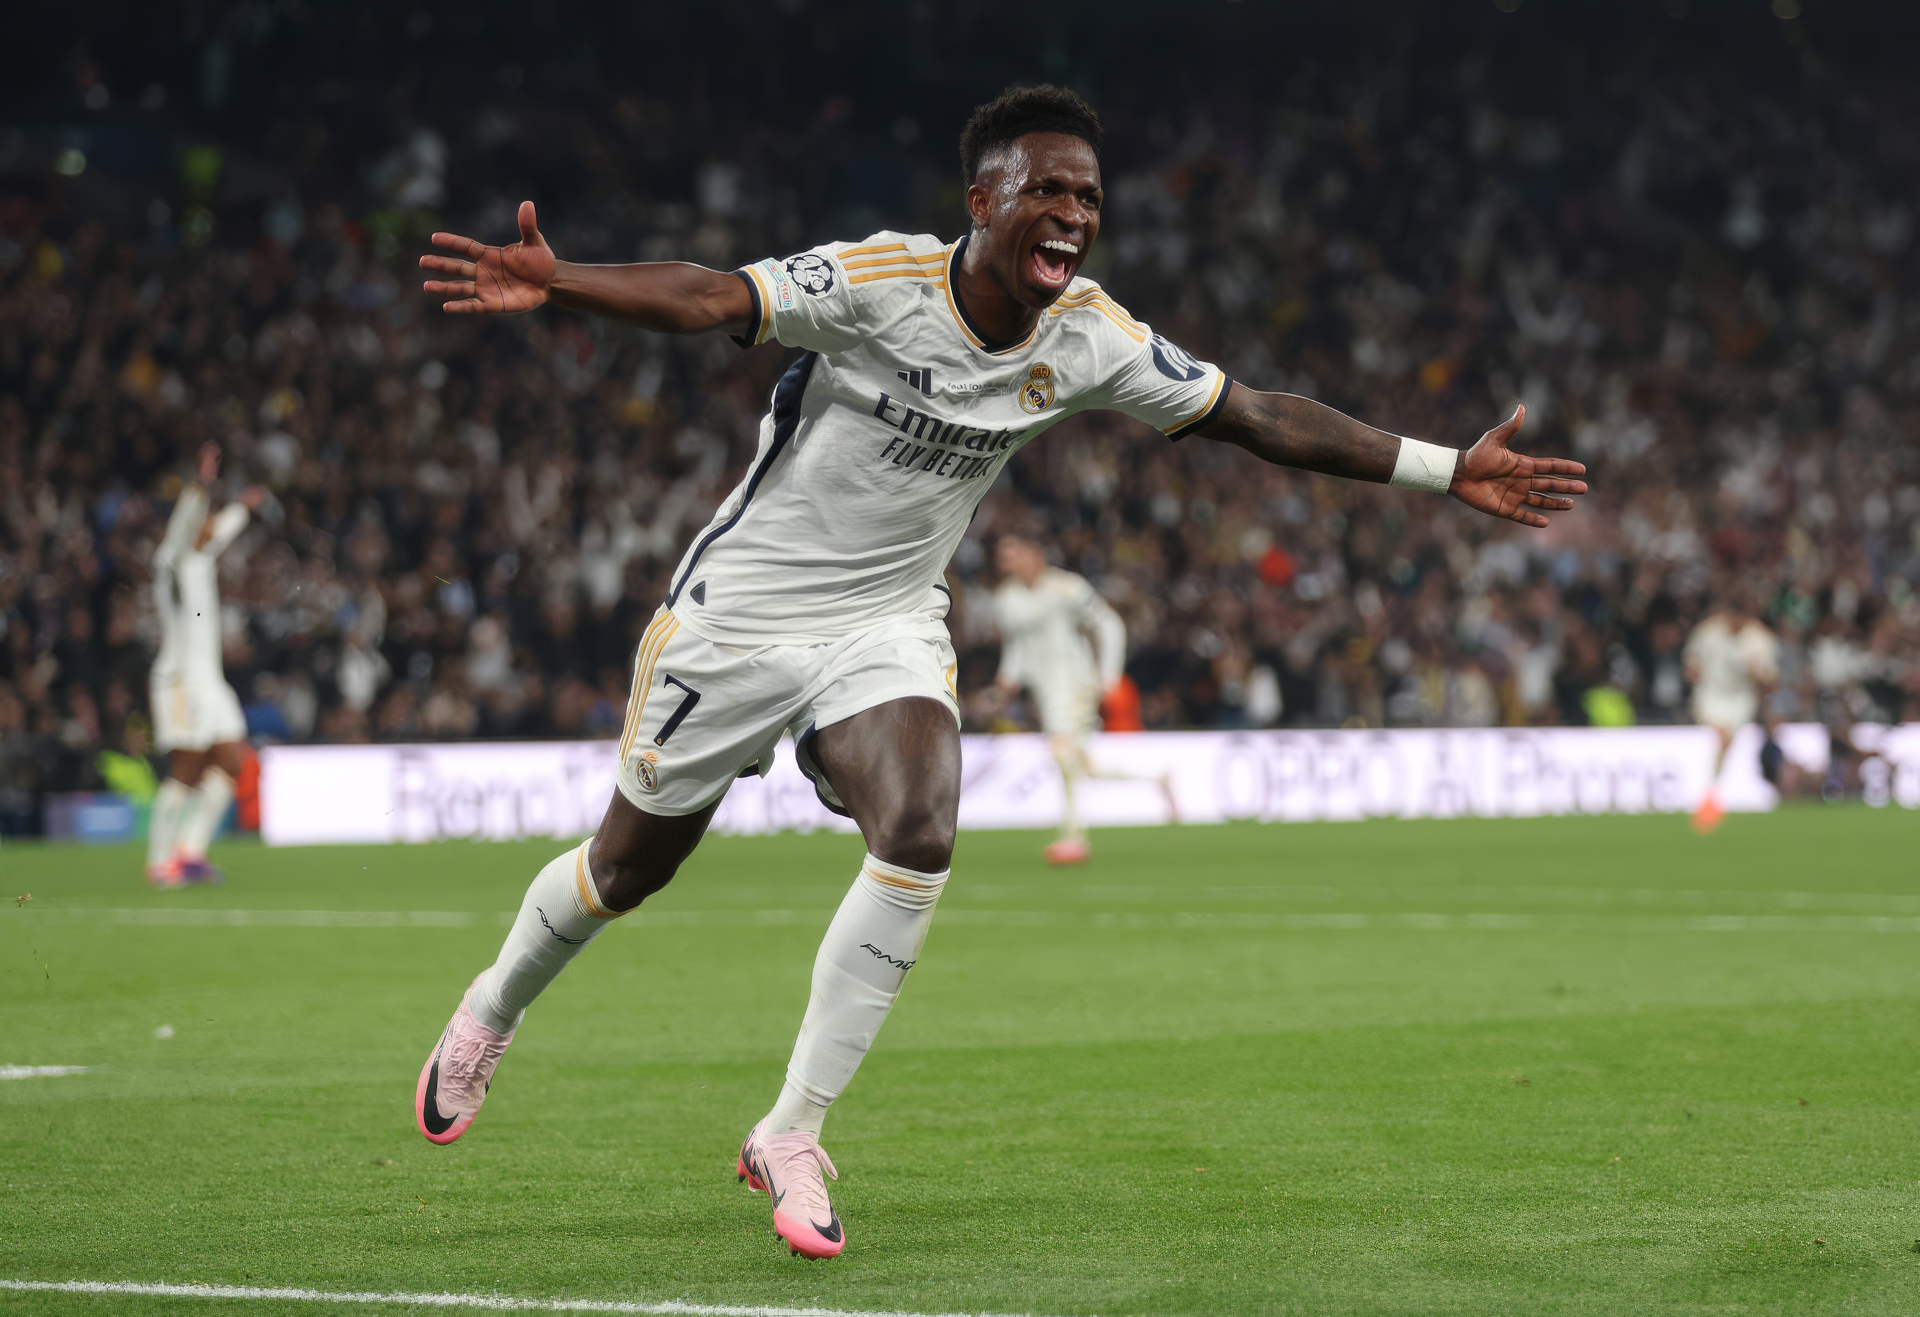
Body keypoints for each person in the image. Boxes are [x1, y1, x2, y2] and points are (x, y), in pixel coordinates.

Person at [412, 84, 1587, 1259]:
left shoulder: (1090, 335)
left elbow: (1256, 414)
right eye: (1049, 189)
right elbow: (716, 296)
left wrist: (1447, 469)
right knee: (626, 870)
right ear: (982, 203)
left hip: (886, 623)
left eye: (1090, 196)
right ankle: (490, 1009)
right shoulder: (878, 284)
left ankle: (792, 1131)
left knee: (921, 831)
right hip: (741, 619)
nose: (1075, 213)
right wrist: (562, 282)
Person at [991, 533, 1171, 863]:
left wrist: (1109, 675)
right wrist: (1007, 678)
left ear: (1035, 554)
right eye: (1003, 556)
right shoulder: (1006, 600)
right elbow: (1016, 645)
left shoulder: (1067, 588)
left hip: (1076, 686)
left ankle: (1073, 837)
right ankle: (1157, 779)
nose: (1008, 562)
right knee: (1083, 766)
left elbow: (1108, 623)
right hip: (1046, 693)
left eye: (1015, 554)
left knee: (1062, 754)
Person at [146, 442, 265, 887]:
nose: (207, 528)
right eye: (203, 520)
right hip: (179, 681)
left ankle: (190, 851)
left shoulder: (200, 557)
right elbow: (187, 526)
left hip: (209, 680)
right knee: (187, 770)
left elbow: (214, 533)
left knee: (232, 763)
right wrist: (199, 486)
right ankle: (159, 862)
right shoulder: (171, 561)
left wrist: (243, 508)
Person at [1683, 588, 1780, 833]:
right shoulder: (1708, 632)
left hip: (1741, 698)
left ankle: (1710, 794)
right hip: (1711, 693)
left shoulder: (1759, 638)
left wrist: (1758, 673)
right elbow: (1691, 664)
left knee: (1726, 742)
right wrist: (1694, 671)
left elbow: (1771, 681)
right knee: (1722, 736)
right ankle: (1709, 795)